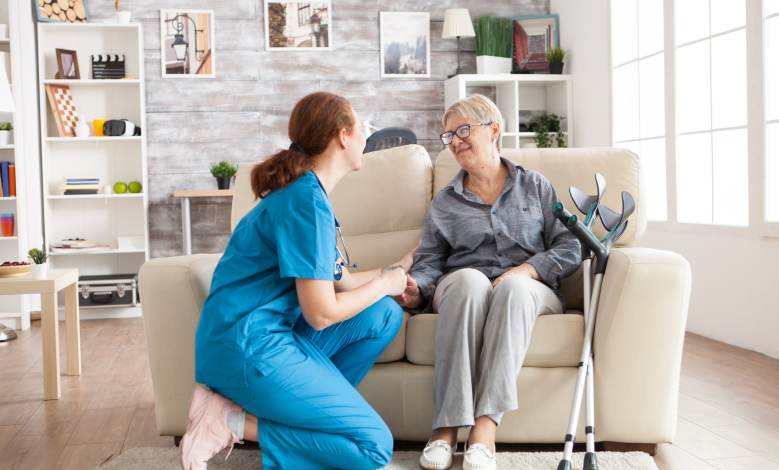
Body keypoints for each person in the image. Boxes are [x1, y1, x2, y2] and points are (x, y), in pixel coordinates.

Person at [182, 92, 420, 470]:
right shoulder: (304, 203)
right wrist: (385, 285)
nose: (365, 138)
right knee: (374, 447)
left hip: (266, 336)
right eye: (362, 129)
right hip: (246, 348)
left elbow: (341, 281)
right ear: (343, 136)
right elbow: (322, 314)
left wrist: (397, 271)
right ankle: (231, 421)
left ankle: (309, 422)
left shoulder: (308, 195)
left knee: (384, 316)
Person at [395, 94, 581, 470]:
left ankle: (484, 430)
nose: (456, 141)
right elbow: (430, 263)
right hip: (463, 283)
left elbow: (570, 244)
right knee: (467, 281)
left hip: (529, 287)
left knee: (512, 287)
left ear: (494, 130)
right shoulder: (445, 202)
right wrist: (416, 290)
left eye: (464, 130)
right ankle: (445, 428)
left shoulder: (535, 186)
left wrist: (528, 270)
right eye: (449, 136)